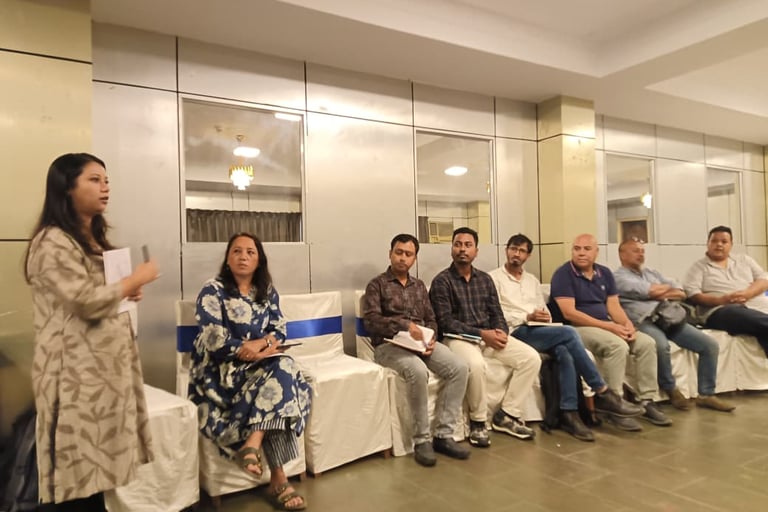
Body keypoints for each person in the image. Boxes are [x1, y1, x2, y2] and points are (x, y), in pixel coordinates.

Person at [25, 153, 159, 510]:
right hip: (74, 378)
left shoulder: (88, 240)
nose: (105, 188)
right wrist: (134, 279)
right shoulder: (52, 242)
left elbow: (98, 297)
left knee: (95, 478)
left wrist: (126, 291)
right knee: (77, 478)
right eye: (94, 180)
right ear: (67, 188)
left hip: (101, 376)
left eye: (107, 180)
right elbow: (84, 301)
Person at [189, 233, 310, 511]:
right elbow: (212, 338)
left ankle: (253, 444)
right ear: (228, 258)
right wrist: (245, 348)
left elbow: (279, 329)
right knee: (284, 380)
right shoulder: (213, 290)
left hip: (261, 362)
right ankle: (279, 478)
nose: (243, 257)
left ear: (259, 260)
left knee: (284, 368)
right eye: (237, 251)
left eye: (250, 252)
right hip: (221, 369)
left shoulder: (266, 291)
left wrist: (263, 345)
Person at [489, 234, 643, 442]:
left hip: (538, 329)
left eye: (522, 251)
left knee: (565, 352)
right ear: (506, 250)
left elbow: (544, 309)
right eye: (513, 249)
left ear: (528, 255)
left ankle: (569, 414)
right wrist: (526, 317)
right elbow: (495, 313)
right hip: (515, 330)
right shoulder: (493, 279)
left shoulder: (531, 281)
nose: (517, 254)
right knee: (569, 333)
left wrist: (543, 316)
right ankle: (602, 391)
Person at [362, 234, 470, 466]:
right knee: (418, 371)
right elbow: (371, 321)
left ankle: (443, 434)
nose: (403, 258)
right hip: (389, 345)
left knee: (460, 368)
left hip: (420, 344)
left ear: (415, 259)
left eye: (408, 254)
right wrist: (403, 325)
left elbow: (431, 319)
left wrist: (430, 338)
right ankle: (421, 440)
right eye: (399, 252)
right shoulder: (376, 285)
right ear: (390, 254)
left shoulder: (419, 286)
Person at [429, 227, 541, 447]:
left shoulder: (485, 279)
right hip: (457, 338)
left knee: (531, 358)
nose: (462, 249)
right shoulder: (442, 281)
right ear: (452, 249)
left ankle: (507, 414)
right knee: (476, 365)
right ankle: (478, 421)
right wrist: (482, 334)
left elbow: (496, 312)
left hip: (488, 336)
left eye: (468, 245)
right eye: (458, 244)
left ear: (476, 251)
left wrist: (501, 332)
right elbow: (445, 322)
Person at [548, 234, 671, 431]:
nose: (581, 253)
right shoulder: (563, 274)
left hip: (606, 325)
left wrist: (627, 325)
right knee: (617, 346)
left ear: (596, 252)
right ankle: (614, 404)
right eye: (577, 248)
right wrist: (610, 327)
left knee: (646, 343)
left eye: (587, 249)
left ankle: (647, 400)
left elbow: (614, 307)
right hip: (577, 329)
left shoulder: (604, 273)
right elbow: (569, 313)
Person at [615, 239, 734, 412]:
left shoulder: (651, 273)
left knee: (709, 345)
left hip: (668, 318)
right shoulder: (618, 277)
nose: (640, 254)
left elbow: (680, 291)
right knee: (661, 346)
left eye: (642, 251)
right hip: (643, 321)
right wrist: (660, 291)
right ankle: (670, 388)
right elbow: (651, 290)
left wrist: (658, 292)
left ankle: (706, 394)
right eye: (635, 251)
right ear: (622, 255)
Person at [684, 225, 768, 358]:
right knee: (738, 313)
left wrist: (748, 293)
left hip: (756, 306)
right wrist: (722, 300)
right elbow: (694, 294)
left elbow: (764, 279)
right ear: (707, 243)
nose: (719, 244)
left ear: (731, 244)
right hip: (721, 310)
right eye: (714, 241)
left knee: (762, 329)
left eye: (724, 241)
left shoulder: (744, 260)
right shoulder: (698, 268)